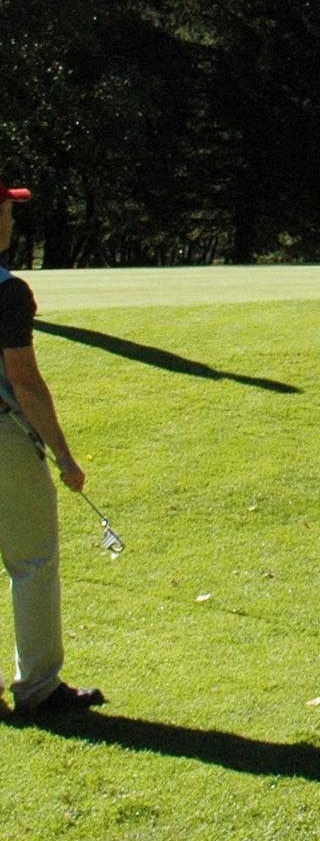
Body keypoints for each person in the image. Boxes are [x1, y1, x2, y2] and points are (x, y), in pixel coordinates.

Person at [0, 178, 106, 717]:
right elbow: (25, 382)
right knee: (32, 562)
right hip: (5, 441)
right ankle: (38, 687)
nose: (12, 220)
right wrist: (64, 457)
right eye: (6, 210)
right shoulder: (8, 291)